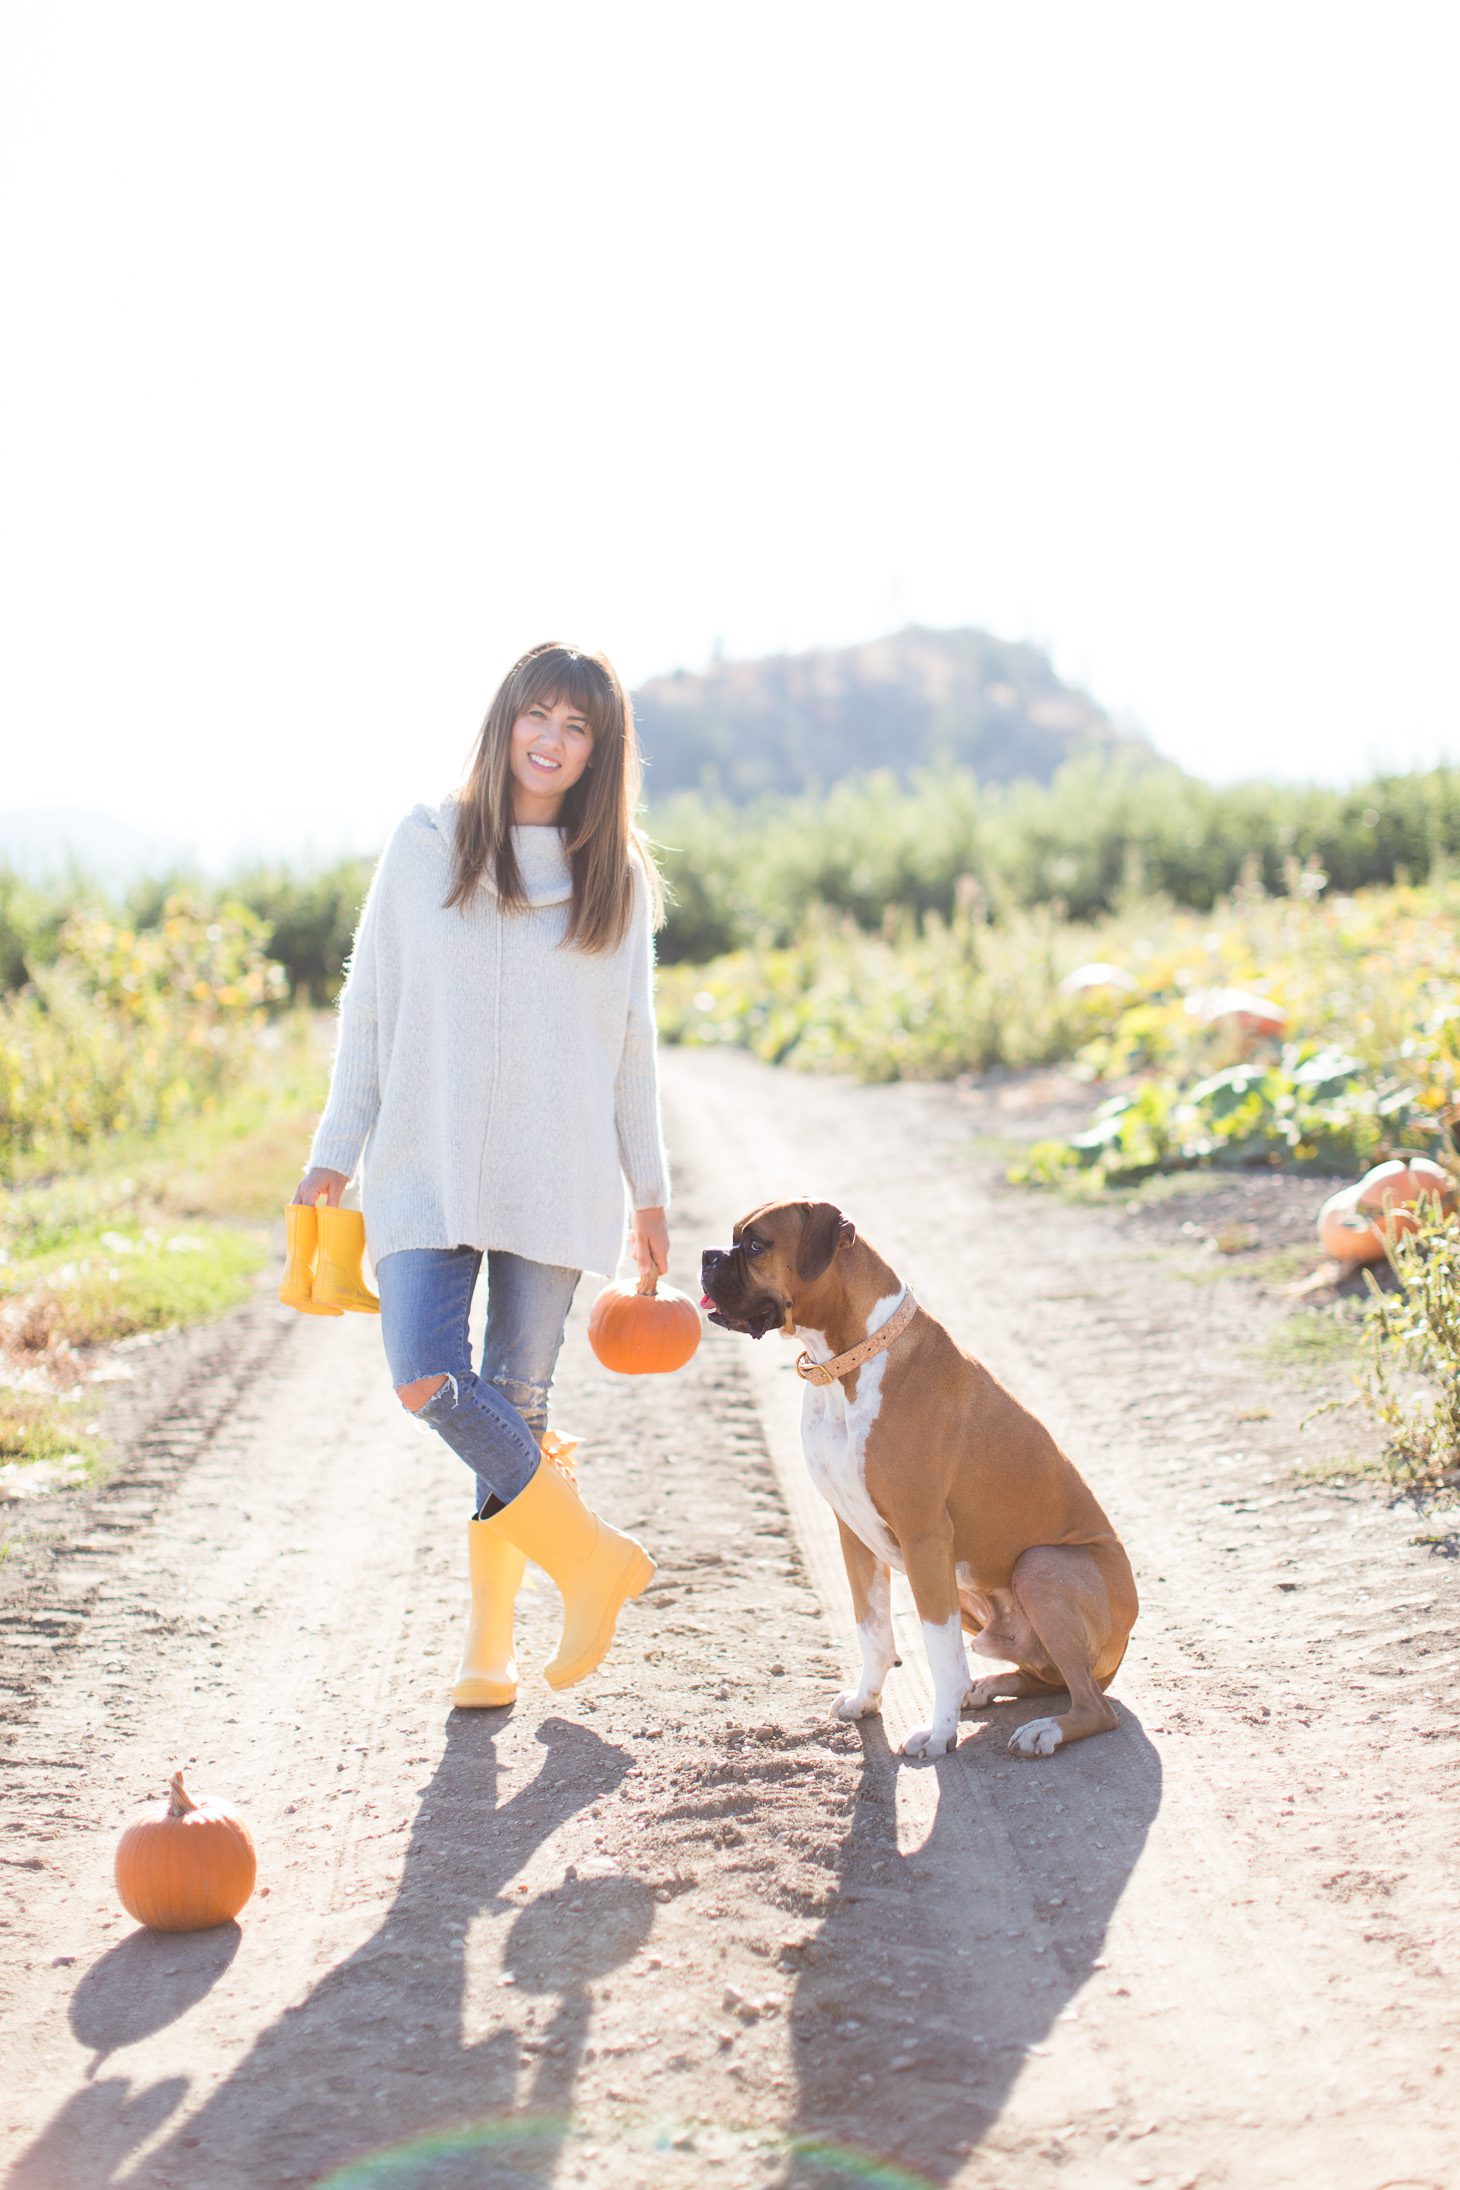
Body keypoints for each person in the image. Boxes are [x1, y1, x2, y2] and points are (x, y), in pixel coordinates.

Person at [293, 640, 670, 1706]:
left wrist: (649, 1193)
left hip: (558, 1175)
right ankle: (592, 1556)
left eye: (577, 727)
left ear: (599, 750)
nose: (551, 743)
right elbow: (369, 1007)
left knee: (515, 1404)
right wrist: (334, 1147)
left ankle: (488, 1652)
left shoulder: (615, 878)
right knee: (424, 1372)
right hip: (424, 1160)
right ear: (504, 721)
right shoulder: (425, 846)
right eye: (536, 717)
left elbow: (634, 1044)